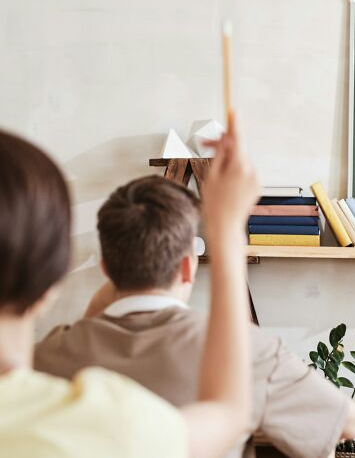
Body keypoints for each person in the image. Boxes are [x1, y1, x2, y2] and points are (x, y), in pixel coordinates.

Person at [34, 175, 355, 458]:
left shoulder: (46, 356)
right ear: (187, 265)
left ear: (106, 267)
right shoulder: (248, 351)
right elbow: (352, 425)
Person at [0, 119, 256, 458]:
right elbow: (228, 413)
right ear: (53, 278)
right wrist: (226, 228)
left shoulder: (57, 356)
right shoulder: (103, 424)